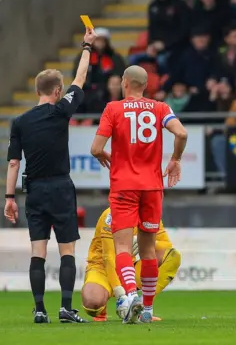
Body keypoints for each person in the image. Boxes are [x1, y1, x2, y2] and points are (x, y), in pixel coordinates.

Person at [4, 27, 97, 324]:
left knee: (38, 251)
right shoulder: (60, 111)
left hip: (34, 190)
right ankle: (66, 309)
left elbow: (13, 164)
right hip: (60, 186)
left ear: (36, 92)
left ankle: (40, 309)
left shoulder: (19, 122)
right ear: (58, 92)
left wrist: (9, 197)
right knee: (67, 249)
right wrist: (86, 46)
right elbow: (80, 78)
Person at [90, 65, 188, 324]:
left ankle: (130, 295)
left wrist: (102, 153)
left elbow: (95, 147)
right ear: (145, 85)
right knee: (147, 251)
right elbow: (181, 132)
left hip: (124, 186)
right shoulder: (160, 108)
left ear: (125, 83)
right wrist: (175, 159)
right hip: (152, 187)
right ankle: (146, 310)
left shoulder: (113, 109)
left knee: (122, 247)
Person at [81, 208, 181, 322]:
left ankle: (141, 307)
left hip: (128, 267)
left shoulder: (150, 214)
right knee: (92, 304)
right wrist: (120, 295)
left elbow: (166, 245)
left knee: (173, 256)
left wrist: (144, 241)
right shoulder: (111, 215)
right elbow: (108, 257)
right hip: (101, 268)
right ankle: (102, 310)